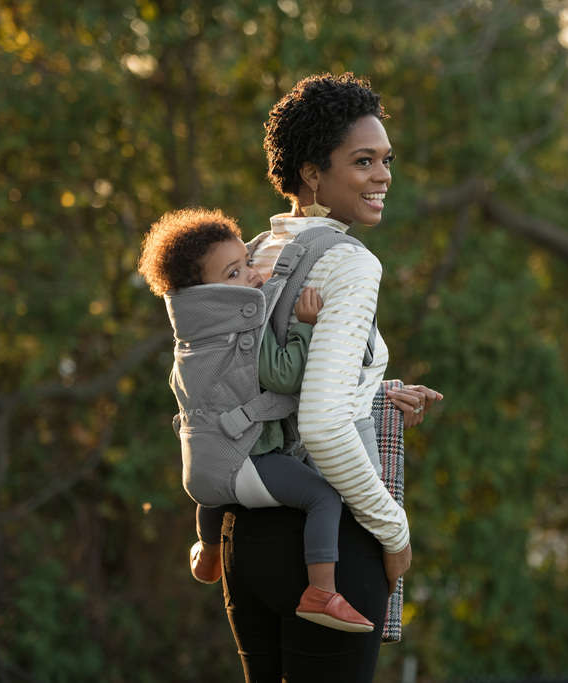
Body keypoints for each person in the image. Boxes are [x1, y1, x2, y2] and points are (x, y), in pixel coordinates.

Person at [211, 72, 442, 682]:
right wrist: (394, 531)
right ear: (312, 173)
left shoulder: (251, 254)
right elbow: (322, 424)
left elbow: (249, 384)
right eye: (363, 161)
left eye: (386, 160)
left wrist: (378, 390)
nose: (383, 176)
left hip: (244, 538)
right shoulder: (349, 263)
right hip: (327, 551)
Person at [138, 207, 375, 632]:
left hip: (201, 471)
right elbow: (283, 375)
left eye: (247, 263)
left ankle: (208, 553)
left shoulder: (191, 338)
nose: (252, 276)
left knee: (216, 481)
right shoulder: (241, 331)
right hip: (250, 460)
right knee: (324, 497)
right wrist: (306, 328)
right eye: (234, 273)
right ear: (203, 293)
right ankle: (321, 591)